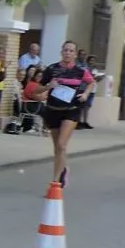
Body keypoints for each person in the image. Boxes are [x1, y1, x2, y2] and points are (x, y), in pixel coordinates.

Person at [31, 41, 96, 188]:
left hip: (72, 110)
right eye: (66, 50)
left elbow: (91, 82)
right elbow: (36, 90)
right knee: (58, 148)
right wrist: (48, 86)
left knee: (61, 144)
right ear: (62, 52)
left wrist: (85, 93)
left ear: (75, 54)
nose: (68, 53)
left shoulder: (80, 71)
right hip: (53, 109)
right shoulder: (52, 69)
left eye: (71, 51)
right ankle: (63, 169)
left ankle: (56, 181)